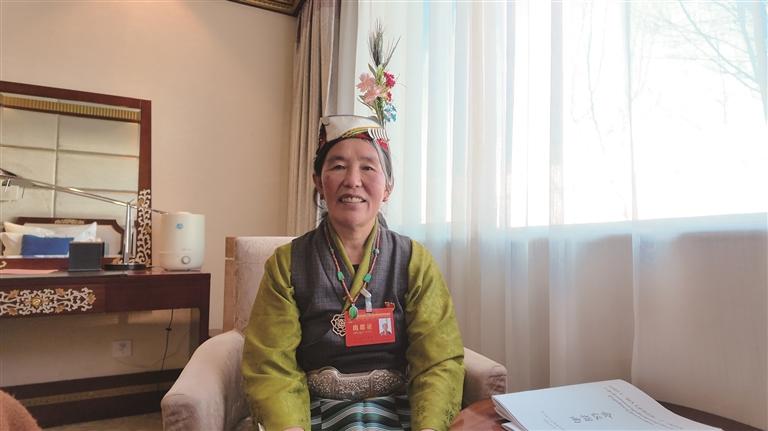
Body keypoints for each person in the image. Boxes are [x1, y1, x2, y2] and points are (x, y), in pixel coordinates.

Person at [241, 115, 464, 431]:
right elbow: (271, 364)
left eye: (368, 167)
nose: (353, 180)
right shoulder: (286, 264)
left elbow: (437, 359)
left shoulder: (414, 260)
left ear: (388, 187)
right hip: (312, 412)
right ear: (319, 182)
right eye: (338, 166)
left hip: (398, 410)